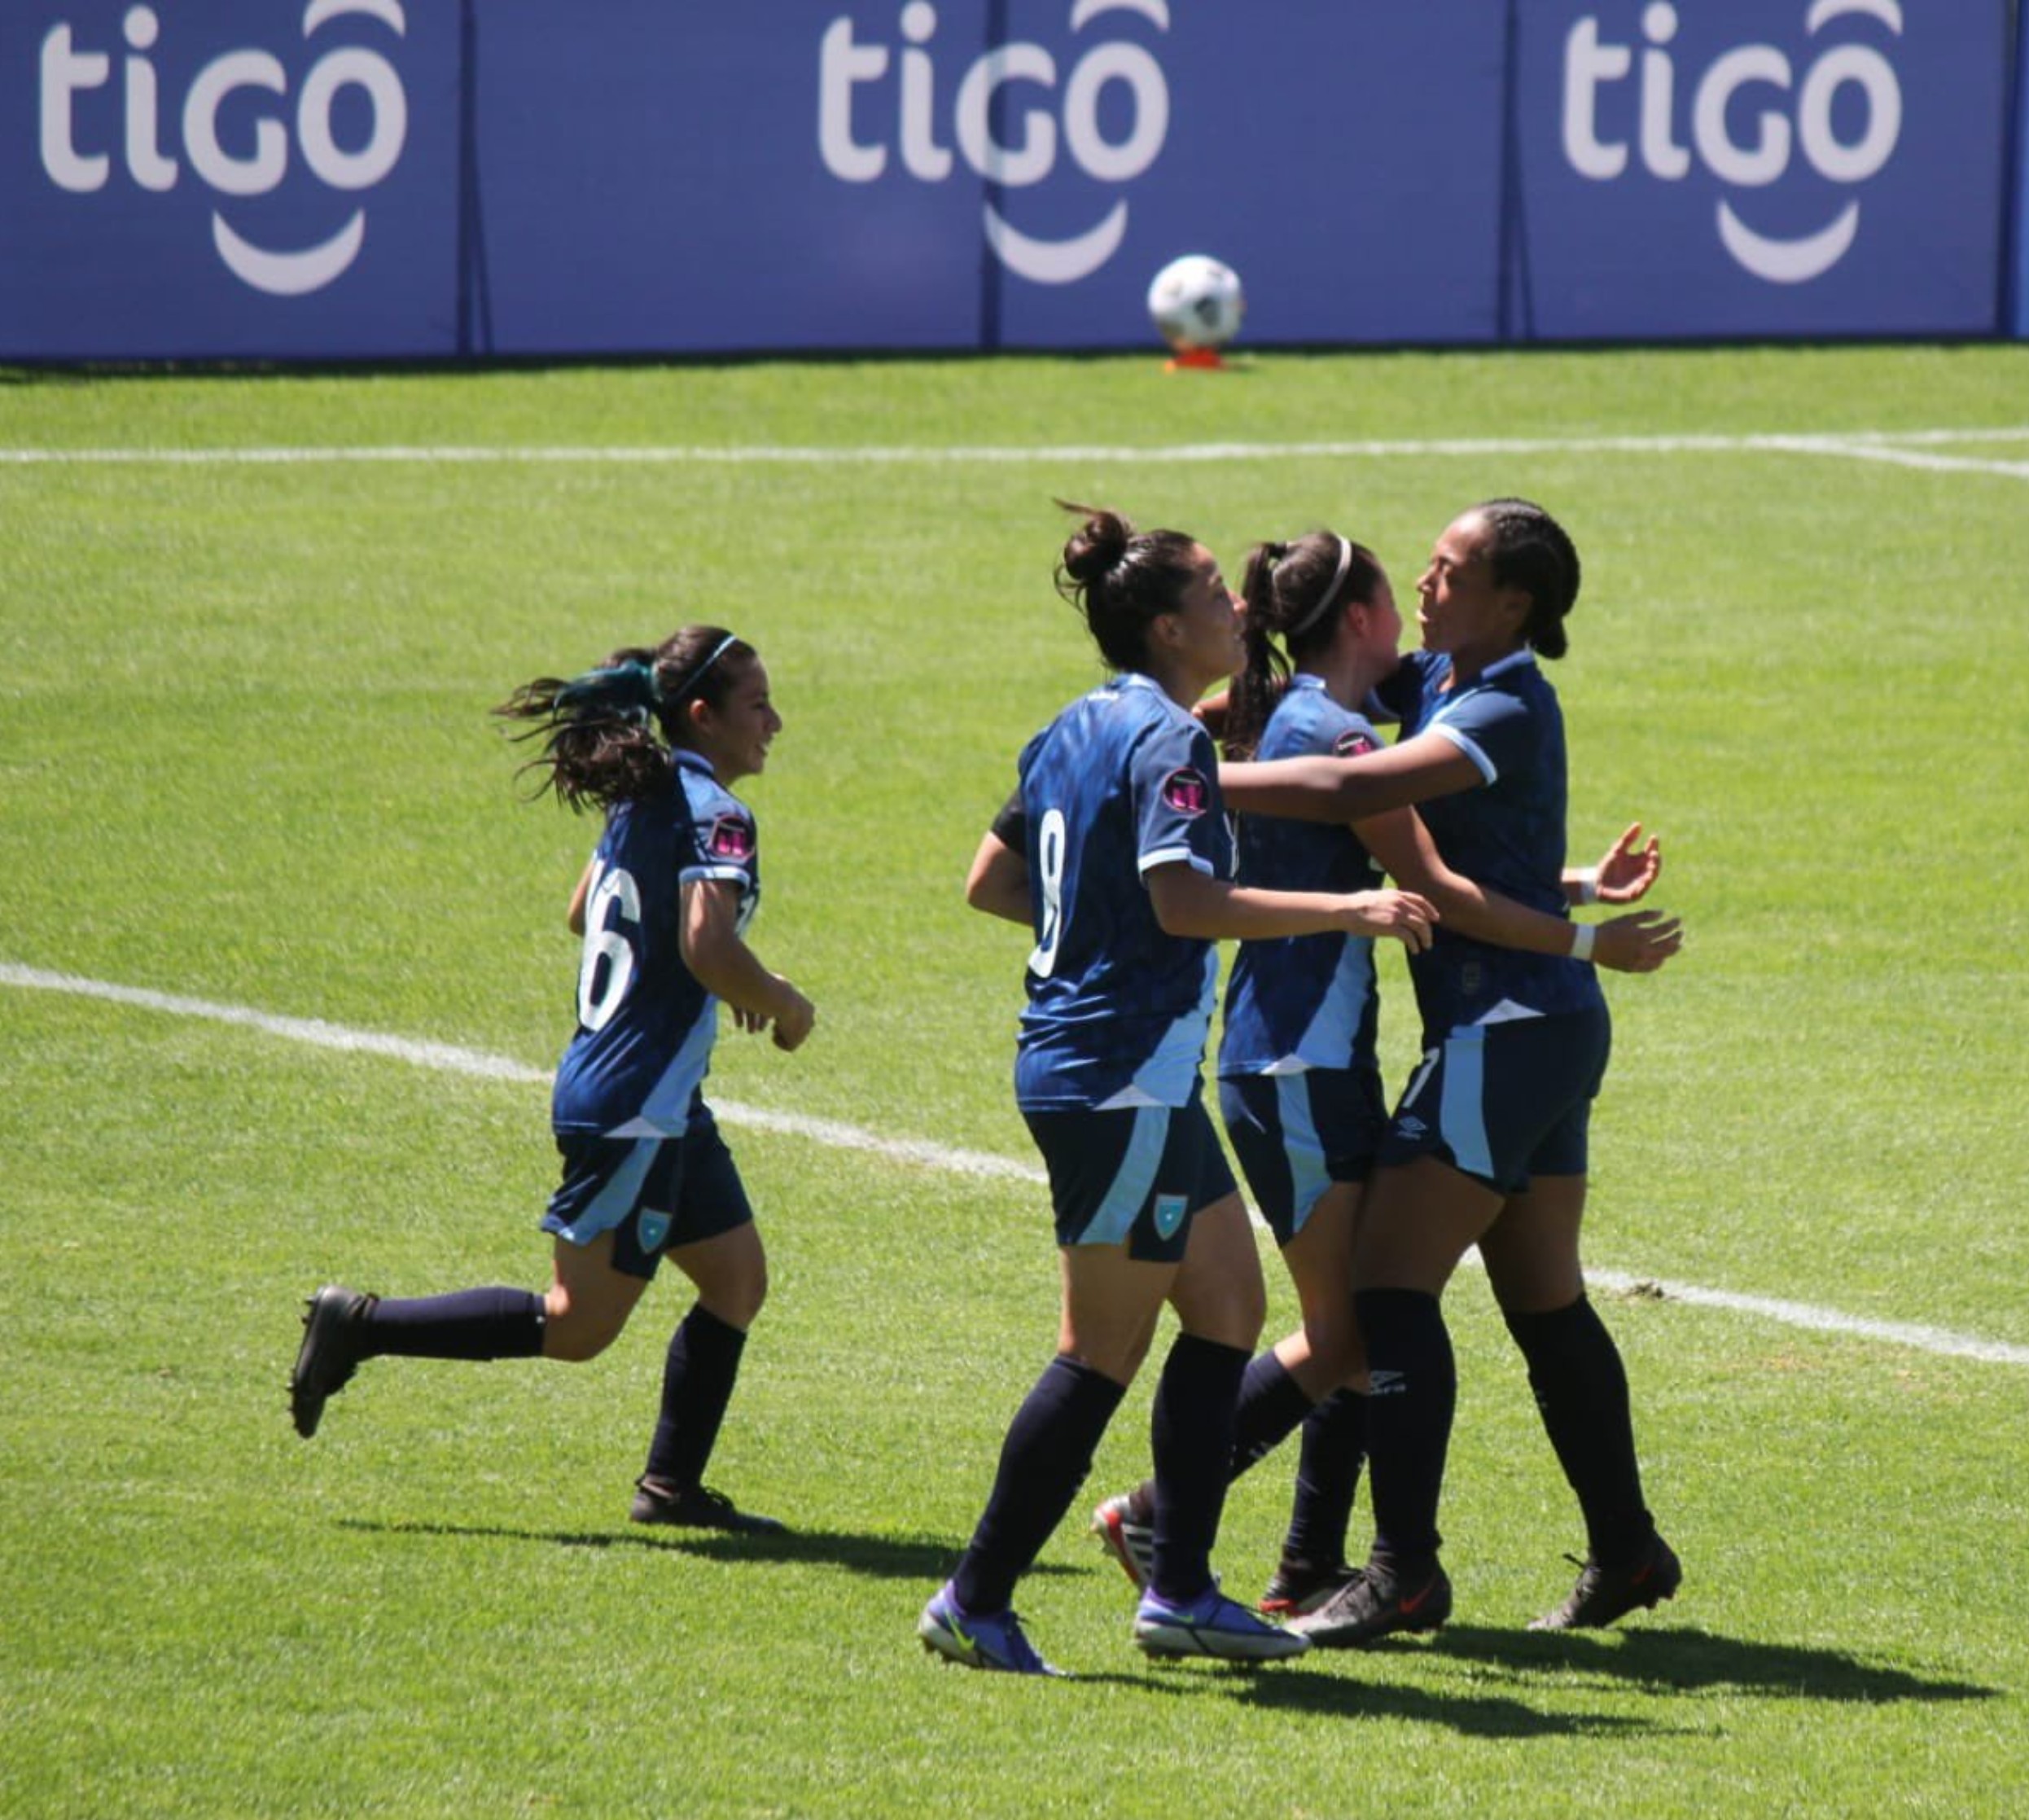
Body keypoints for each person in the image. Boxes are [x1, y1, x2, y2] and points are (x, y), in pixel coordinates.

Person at [1085, 530, 1681, 1620]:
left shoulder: (1502, 703)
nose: (1424, 581)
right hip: (1526, 1028)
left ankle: (1395, 1569)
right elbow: (1320, 705)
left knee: (1387, 1298)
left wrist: (1169, 770)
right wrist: (1577, 887)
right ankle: (1627, 1549)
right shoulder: (1438, 672)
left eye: (1449, 571)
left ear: (1512, 605)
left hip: (1506, 1029)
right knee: (1542, 1302)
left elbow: (1336, 786)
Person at [921, 503, 1437, 1677]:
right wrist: (1345, 907)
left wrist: (1095, 928)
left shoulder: (1074, 726)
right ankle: (976, 1596)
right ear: (1165, 628)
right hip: (1116, 1080)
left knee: (1228, 1312)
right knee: (1097, 1352)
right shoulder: (1169, 740)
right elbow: (1185, 904)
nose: (1237, 610)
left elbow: (993, 879)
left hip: (1130, 1076)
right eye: (1214, 596)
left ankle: (1184, 1588)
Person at [284, 629, 817, 1535]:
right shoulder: (716, 812)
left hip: (661, 1103)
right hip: (634, 1105)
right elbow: (705, 945)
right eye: (757, 703)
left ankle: (671, 1488)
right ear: (703, 716)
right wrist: (779, 1000)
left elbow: (586, 911)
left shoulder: (644, 799)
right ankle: (361, 1325)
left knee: (736, 1280)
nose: (775, 721)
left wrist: (697, 969)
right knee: (578, 1328)